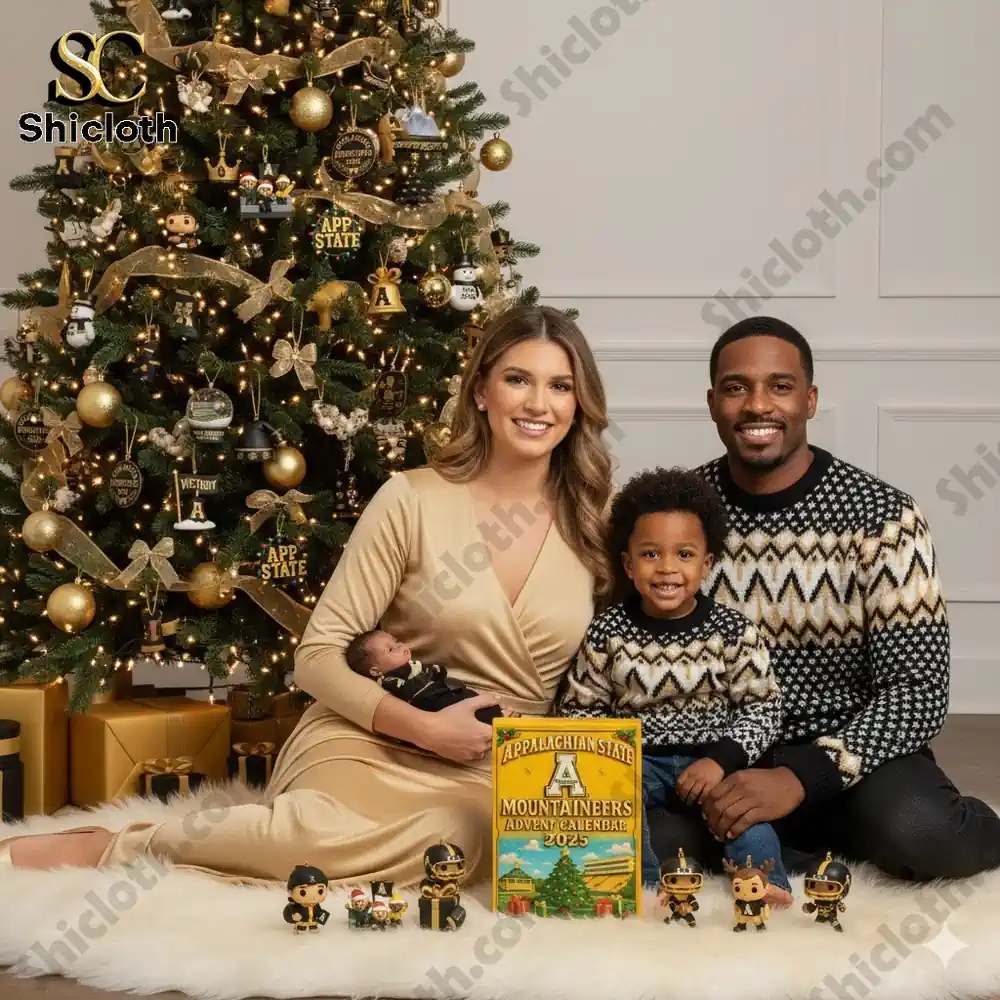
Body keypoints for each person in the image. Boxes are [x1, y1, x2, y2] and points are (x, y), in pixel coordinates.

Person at [0, 305, 615, 887]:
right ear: (482, 391)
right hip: (369, 736)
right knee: (307, 839)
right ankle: (123, 846)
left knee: (448, 842)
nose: (539, 404)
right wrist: (422, 729)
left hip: (503, 763)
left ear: (579, 402)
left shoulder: (600, 522)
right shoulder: (413, 498)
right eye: (518, 379)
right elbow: (317, 656)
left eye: (560, 386)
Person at [647, 315, 1000, 882]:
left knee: (926, 832)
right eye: (737, 387)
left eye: (780, 386)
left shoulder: (882, 517)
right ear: (713, 403)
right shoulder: (677, 517)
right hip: (718, 763)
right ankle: (803, 855)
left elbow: (919, 690)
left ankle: (846, 835)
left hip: (851, 762)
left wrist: (800, 778)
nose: (758, 405)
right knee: (642, 844)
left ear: (809, 400)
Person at [555, 467, 792, 903]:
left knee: (744, 813)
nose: (667, 568)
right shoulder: (608, 632)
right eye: (650, 554)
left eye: (684, 555)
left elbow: (764, 707)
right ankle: (644, 887)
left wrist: (721, 761)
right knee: (613, 801)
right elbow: (580, 705)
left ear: (706, 564)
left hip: (710, 758)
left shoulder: (732, 631)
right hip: (637, 760)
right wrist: (609, 756)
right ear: (628, 564)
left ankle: (765, 882)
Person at [345, 628, 506, 729]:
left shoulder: (413, 666)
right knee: (466, 708)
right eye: (391, 649)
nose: (401, 647)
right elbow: (405, 691)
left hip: (443, 692)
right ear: (375, 670)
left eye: (397, 642)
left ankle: (496, 714)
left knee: (468, 695)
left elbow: (430, 672)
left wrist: (436, 671)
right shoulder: (389, 680)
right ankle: (496, 719)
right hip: (432, 705)